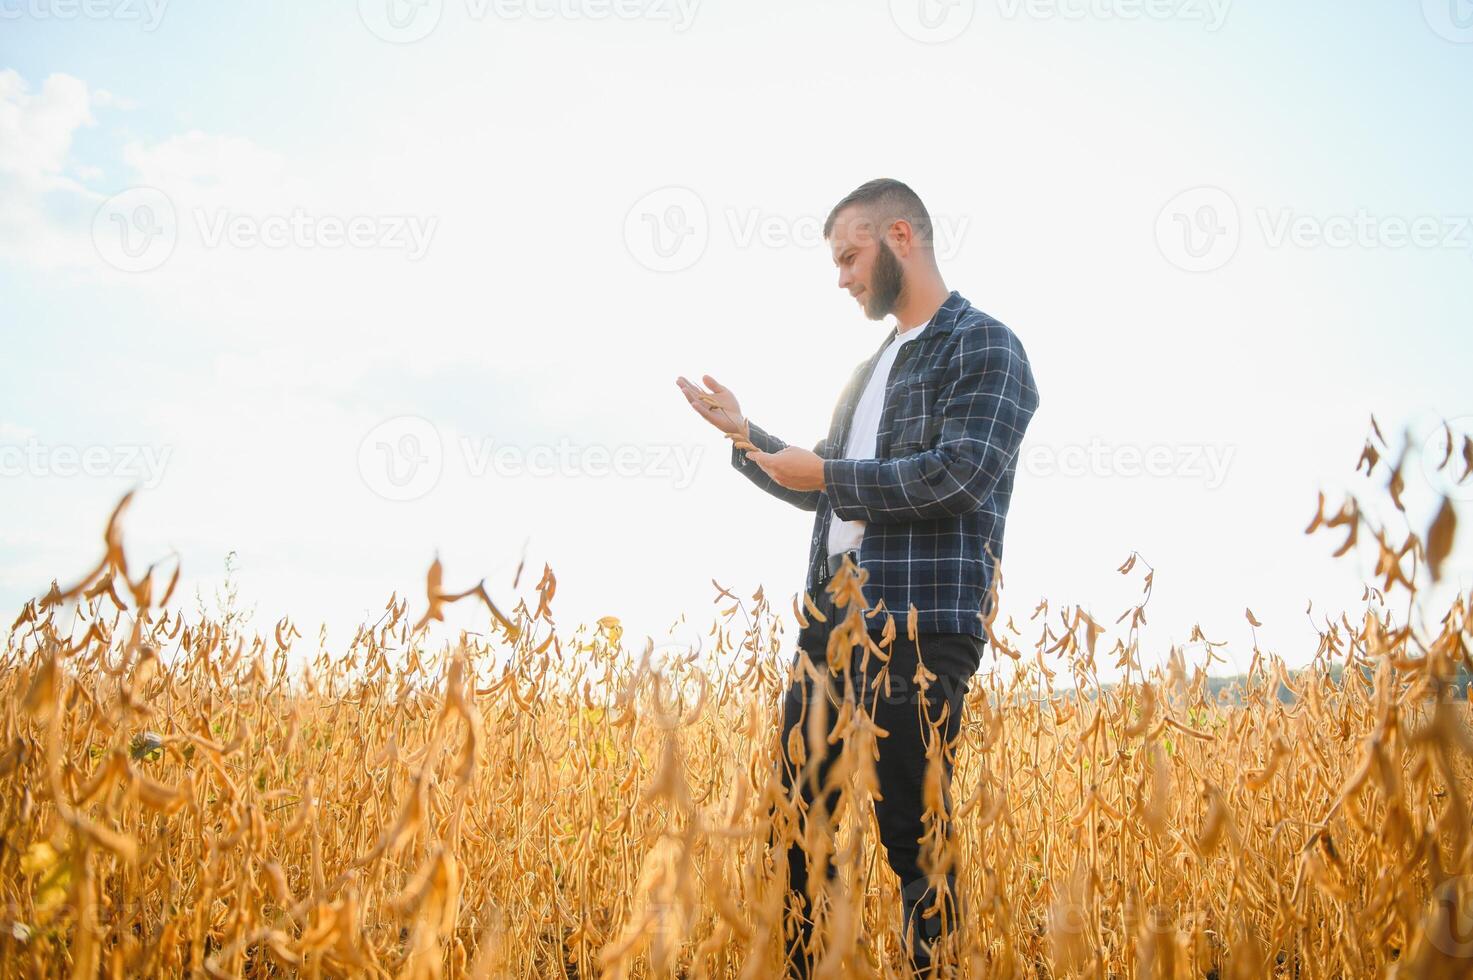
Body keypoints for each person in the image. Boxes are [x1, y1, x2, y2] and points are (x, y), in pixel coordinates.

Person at [676, 178, 1041, 977]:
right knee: (795, 827)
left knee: (915, 841)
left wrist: (830, 475)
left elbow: (959, 475)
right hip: (827, 627)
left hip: (915, 628)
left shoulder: (984, 346)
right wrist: (746, 437)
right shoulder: (869, 367)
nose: (840, 276)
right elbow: (823, 483)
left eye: (849, 255)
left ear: (900, 237)